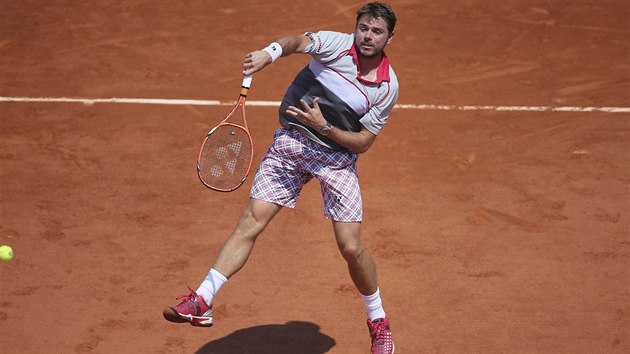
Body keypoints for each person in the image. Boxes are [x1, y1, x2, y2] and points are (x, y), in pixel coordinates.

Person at [163, 2, 399, 353]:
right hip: (291, 145)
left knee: (351, 247)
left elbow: (363, 142)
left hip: (336, 159)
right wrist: (268, 54)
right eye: (364, 27)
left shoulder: (387, 86)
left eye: (377, 31)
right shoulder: (335, 44)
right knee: (250, 222)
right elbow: (296, 42)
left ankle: (378, 322)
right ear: (356, 27)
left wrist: (325, 127)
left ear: (389, 37)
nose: (368, 36)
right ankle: (203, 299)